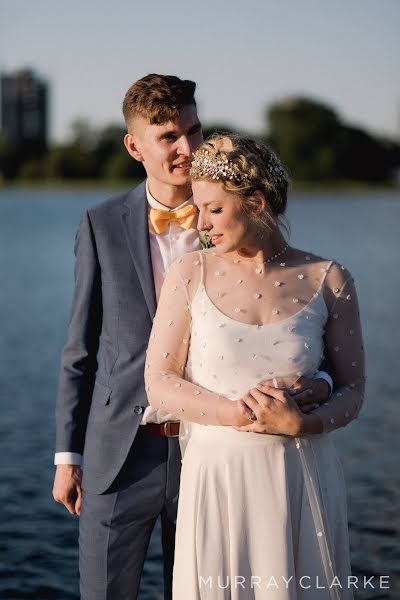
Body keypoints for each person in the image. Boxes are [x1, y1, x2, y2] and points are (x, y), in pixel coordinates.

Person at [52, 74, 332, 600]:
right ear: (134, 146)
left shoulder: (241, 223)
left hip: (213, 455)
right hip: (120, 453)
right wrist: (68, 458)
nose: (187, 149)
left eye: (194, 130)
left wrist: (314, 382)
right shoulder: (100, 223)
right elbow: (80, 350)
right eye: (167, 137)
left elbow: (292, 325)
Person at [145, 134, 365, 599]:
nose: (202, 224)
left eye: (214, 209)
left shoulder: (330, 278)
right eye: (198, 209)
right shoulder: (190, 272)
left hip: (302, 478)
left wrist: (305, 423)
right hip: (219, 479)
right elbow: (159, 384)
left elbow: (353, 391)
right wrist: (236, 414)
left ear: (257, 202)